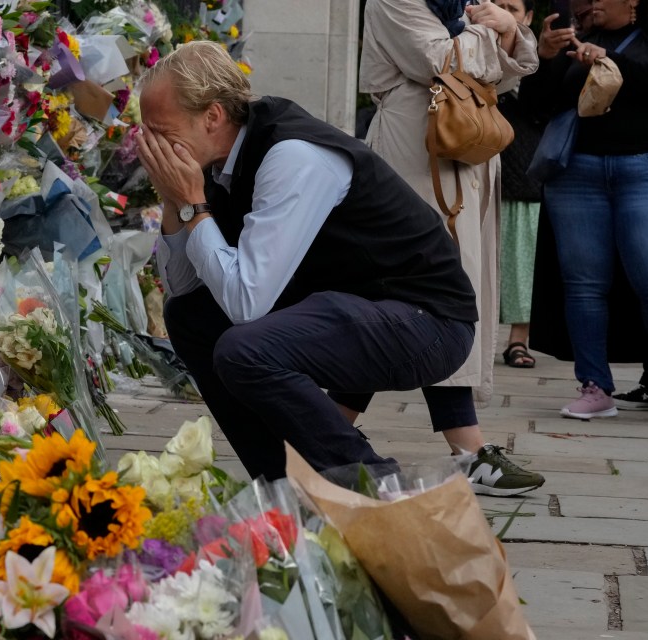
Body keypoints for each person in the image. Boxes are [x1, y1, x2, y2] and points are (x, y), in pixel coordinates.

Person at [133, 40, 482, 483]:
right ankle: (282, 484)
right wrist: (175, 201)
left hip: (427, 321)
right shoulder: (215, 163)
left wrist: (194, 205)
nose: (151, 148)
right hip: (354, 308)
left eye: (161, 132)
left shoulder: (292, 155)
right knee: (189, 317)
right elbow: (184, 288)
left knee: (244, 350)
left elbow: (246, 304)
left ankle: (371, 483)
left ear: (213, 116)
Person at [358, 0, 545, 494]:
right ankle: (467, 452)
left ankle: (318, 428)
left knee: (424, 297)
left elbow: (503, 77)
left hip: (463, 145)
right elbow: (440, 60)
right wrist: (497, 31)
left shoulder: (458, 0)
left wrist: (503, 33)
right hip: (416, 151)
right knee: (419, 294)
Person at [521, 0, 648, 423]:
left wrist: (614, 60)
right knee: (583, 285)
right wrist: (547, 56)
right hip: (577, 174)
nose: (588, 1)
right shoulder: (578, 35)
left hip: (643, 170)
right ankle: (595, 386)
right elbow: (537, 106)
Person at [494, 0, 542, 369]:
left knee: (521, 264)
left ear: (527, 17)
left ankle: (518, 340)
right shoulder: (467, 44)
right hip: (475, 172)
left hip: (523, 173)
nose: (502, 10)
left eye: (511, 6)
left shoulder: (540, 61)